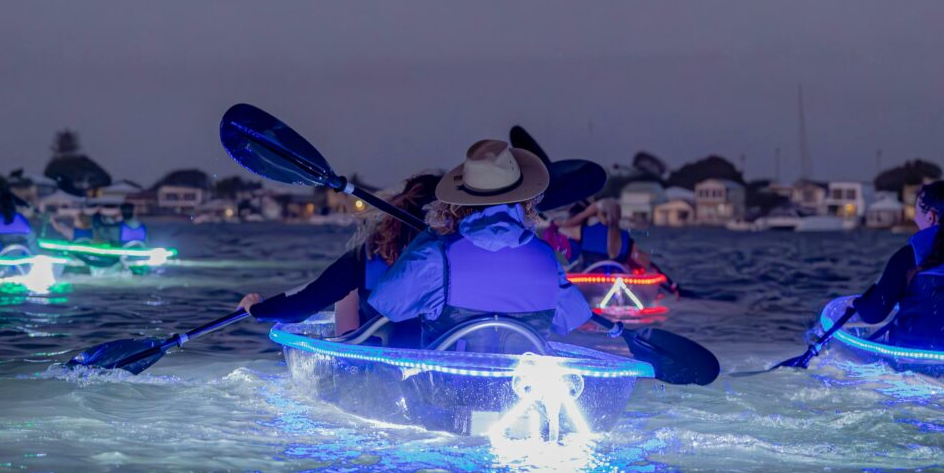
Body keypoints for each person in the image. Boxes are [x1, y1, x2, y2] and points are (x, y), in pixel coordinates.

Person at [369, 140, 593, 351]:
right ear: (525, 200)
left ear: (460, 202)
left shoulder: (437, 256)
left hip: (445, 389)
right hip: (519, 390)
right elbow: (573, 317)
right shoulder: (547, 259)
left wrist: (429, 236)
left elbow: (386, 303)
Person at [238, 174, 440, 344]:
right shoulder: (455, 251)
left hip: (383, 363)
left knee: (347, 291)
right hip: (449, 357)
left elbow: (303, 304)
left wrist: (256, 308)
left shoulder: (370, 256)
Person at [841, 179, 944, 351]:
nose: (914, 217)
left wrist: (856, 303)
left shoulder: (909, 255)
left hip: (919, 353)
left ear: (931, 216)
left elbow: (874, 313)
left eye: (916, 210)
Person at [554, 198, 656, 271]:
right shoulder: (618, 230)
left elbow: (564, 227)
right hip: (620, 254)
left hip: (604, 256)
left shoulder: (588, 227)